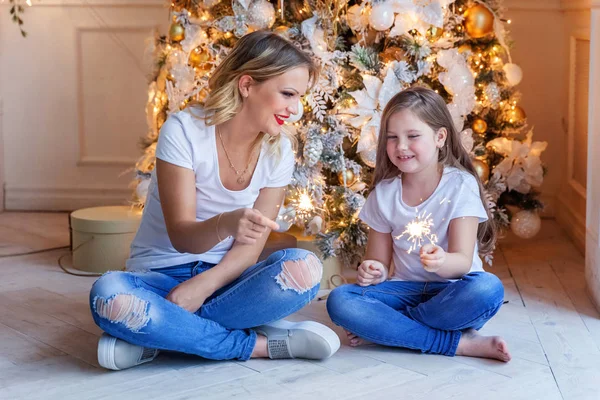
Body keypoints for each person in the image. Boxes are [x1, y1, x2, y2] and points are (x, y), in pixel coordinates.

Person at [89, 30, 340, 371]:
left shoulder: (278, 151)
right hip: (158, 276)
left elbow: (249, 251)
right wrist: (228, 222)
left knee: (305, 270)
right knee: (108, 295)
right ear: (247, 85)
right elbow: (182, 235)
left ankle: (159, 337)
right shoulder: (184, 131)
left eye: (299, 98)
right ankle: (258, 344)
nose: (294, 110)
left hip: (224, 280)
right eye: (287, 94)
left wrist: (203, 286)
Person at [327, 87, 511, 362]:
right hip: (404, 290)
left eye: (412, 136)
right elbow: (377, 263)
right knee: (340, 300)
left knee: (488, 289)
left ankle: (390, 328)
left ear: (439, 137)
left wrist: (441, 262)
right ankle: (457, 343)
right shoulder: (384, 194)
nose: (401, 146)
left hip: (453, 291)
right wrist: (372, 271)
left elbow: (461, 262)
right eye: (392, 138)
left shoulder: (460, 185)